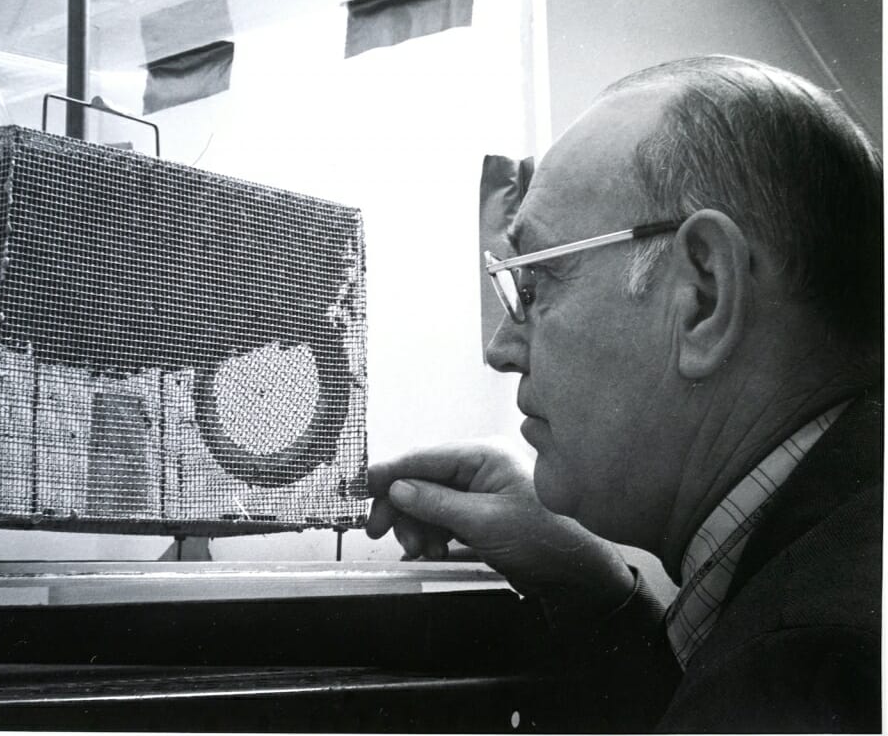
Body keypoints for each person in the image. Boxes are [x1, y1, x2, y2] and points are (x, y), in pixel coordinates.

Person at [366, 55, 882, 732]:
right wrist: (600, 598)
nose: (501, 351)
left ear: (703, 295)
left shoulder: (811, 668)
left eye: (539, 283)